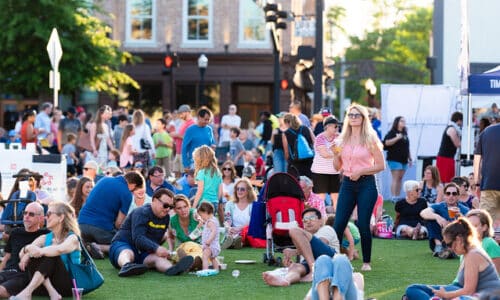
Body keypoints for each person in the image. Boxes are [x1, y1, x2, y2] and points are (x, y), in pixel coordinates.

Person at [331, 103, 385, 271]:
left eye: (356, 115)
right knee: (338, 223)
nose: (353, 118)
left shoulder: (370, 138)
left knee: (362, 223)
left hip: (366, 184)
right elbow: (336, 167)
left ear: (363, 118)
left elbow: (381, 165)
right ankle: (336, 259)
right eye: (350, 115)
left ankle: (366, 262)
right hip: (347, 183)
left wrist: (362, 171)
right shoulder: (341, 139)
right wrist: (335, 154)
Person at [404, 217, 500, 300]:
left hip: (485, 296)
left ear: (458, 239)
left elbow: (469, 290)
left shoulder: (473, 254)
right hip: (470, 293)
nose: (449, 248)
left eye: (449, 244)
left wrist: (446, 295)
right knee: (413, 289)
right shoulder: (469, 252)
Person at [109, 188, 195, 277]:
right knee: (127, 252)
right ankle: (126, 265)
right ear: (154, 200)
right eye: (165, 205)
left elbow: (156, 240)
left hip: (143, 252)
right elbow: (138, 238)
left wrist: (163, 252)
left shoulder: (165, 218)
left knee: (158, 258)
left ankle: (172, 269)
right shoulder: (141, 212)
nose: (167, 209)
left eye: (171, 207)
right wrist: (156, 248)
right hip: (123, 244)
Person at [13, 201, 82, 299]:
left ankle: (27, 293)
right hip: (45, 285)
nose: (46, 217)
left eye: (49, 214)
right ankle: (51, 291)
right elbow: (21, 255)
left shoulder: (72, 238)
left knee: (49, 254)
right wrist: (27, 249)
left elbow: (60, 250)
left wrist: (37, 251)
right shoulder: (45, 238)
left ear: (61, 218)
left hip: (69, 285)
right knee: (37, 255)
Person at [262, 208, 339, 287]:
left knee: (294, 230)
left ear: (320, 220)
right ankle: (286, 280)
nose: (308, 221)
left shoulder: (326, 229)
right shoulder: (304, 238)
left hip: (330, 258)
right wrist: (290, 263)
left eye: (312, 218)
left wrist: (294, 251)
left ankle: (314, 271)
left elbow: (321, 245)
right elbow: (307, 254)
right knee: (295, 267)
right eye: (305, 220)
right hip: (313, 262)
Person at [78, 171, 145, 259]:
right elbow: (119, 224)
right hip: (101, 228)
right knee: (125, 245)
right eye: (135, 189)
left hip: (81, 225)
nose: (133, 192)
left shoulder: (104, 180)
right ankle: (99, 247)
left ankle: (86, 246)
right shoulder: (127, 194)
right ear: (133, 185)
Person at [0, 203, 49, 298]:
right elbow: (7, 257)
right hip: (7, 271)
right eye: (25, 213)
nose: (26, 216)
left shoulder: (45, 235)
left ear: (41, 218)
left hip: (24, 275)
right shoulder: (15, 232)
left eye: (31, 214)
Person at [420, 182, 470, 257]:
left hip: (457, 238)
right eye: (448, 193)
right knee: (430, 219)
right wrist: (438, 218)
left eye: (454, 194)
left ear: (458, 196)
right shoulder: (440, 206)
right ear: (444, 196)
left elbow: (472, 224)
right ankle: (439, 246)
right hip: (441, 238)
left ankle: (451, 250)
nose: (451, 196)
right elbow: (423, 213)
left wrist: (461, 216)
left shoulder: (464, 209)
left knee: (464, 226)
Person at [473, 121, 500, 233]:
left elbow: (477, 158)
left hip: (489, 184)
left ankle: (484, 250)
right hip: (489, 185)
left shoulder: (487, 131)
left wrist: (477, 182)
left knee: (485, 226)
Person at [310, 116, 341, 211]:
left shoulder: (339, 137)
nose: (337, 128)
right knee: (320, 198)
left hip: (335, 171)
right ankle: (320, 218)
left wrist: (338, 152)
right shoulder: (320, 138)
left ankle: (337, 219)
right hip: (320, 171)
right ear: (327, 126)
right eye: (335, 126)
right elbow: (325, 154)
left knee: (336, 197)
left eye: (338, 126)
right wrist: (336, 153)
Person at [166, 194, 203, 271]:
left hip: (199, 246)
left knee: (198, 253)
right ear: (175, 210)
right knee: (179, 251)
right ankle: (190, 264)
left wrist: (200, 222)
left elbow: (200, 217)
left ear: (189, 206)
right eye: (179, 208)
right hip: (183, 248)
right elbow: (170, 236)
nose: (183, 210)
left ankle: (190, 263)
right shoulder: (173, 221)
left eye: (185, 206)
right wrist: (171, 250)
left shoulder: (194, 214)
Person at [383, 116, 412, 201]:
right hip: (394, 158)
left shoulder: (404, 133)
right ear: (397, 122)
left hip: (404, 159)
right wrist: (397, 138)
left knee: (400, 178)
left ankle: (397, 196)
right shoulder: (392, 132)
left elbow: (407, 146)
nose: (403, 123)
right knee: (395, 177)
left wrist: (410, 158)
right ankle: (393, 196)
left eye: (404, 121)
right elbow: (386, 143)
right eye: (401, 121)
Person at [222, 178, 256, 249]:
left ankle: (236, 242)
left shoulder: (253, 205)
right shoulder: (230, 204)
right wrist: (229, 228)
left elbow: (254, 222)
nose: (239, 191)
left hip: (246, 232)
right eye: (237, 189)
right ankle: (234, 241)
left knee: (245, 232)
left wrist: (239, 228)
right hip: (233, 231)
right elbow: (227, 220)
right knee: (229, 232)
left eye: (242, 189)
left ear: (248, 191)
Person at [466, 209, 500, 273]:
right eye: (468, 226)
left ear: (484, 227)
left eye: (475, 226)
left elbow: (496, 274)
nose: (470, 229)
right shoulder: (467, 244)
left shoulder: (490, 243)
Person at [282, 113, 315, 178]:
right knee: (309, 184)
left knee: (295, 184)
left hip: (295, 163)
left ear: (287, 122)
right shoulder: (306, 129)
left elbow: (286, 152)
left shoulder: (286, 133)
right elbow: (315, 142)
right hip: (309, 161)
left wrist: (288, 161)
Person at [192, 145, 222, 210]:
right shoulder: (217, 172)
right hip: (215, 203)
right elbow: (220, 192)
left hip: (204, 204)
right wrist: (216, 201)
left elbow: (200, 191)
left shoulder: (201, 172)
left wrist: (193, 207)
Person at [436, 111, 463, 183]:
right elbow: (457, 144)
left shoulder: (453, 128)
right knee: (446, 180)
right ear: (459, 120)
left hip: (448, 158)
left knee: (447, 180)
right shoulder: (452, 129)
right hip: (445, 159)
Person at [171, 104, 195, 178]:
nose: (180, 115)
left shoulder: (192, 123)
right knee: (176, 172)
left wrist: (176, 135)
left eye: (181, 113)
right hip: (178, 152)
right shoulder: (183, 123)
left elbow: (190, 138)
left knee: (184, 175)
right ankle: (176, 189)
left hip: (184, 153)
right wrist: (174, 136)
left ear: (187, 112)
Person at [197, 202, 220, 271]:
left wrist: (208, 241)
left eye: (201, 215)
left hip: (211, 245)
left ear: (206, 212)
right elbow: (208, 231)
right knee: (212, 258)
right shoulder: (213, 220)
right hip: (213, 246)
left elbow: (214, 232)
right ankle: (216, 269)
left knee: (205, 256)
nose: (201, 217)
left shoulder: (210, 222)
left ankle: (205, 270)